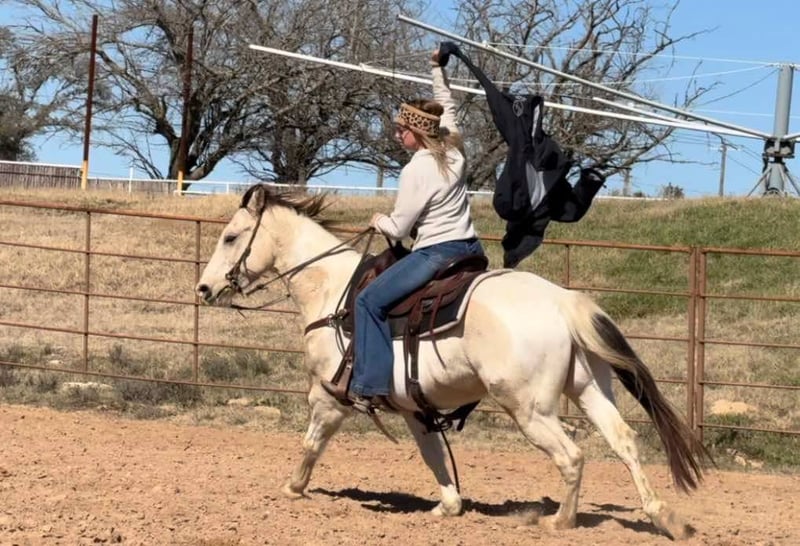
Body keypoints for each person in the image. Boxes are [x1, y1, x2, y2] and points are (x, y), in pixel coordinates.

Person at [321, 49, 485, 413]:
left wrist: (377, 220)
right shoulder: (455, 151)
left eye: (402, 130)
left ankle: (369, 386)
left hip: (436, 252)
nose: (397, 134)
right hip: (471, 249)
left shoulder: (416, 170)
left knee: (368, 301)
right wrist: (437, 68)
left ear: (418, 133)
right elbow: (446, 106)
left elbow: (399, 229)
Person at [437, 41, 606, 268]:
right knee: (564, 210)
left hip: (529, 195)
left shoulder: (526, 143)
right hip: (531, 193)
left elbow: (494, 97)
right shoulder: (528, 142)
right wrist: (456, 53)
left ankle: (513, 256)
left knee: (563, 210)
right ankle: (513, 256)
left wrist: (456, 53)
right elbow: (492, 95)